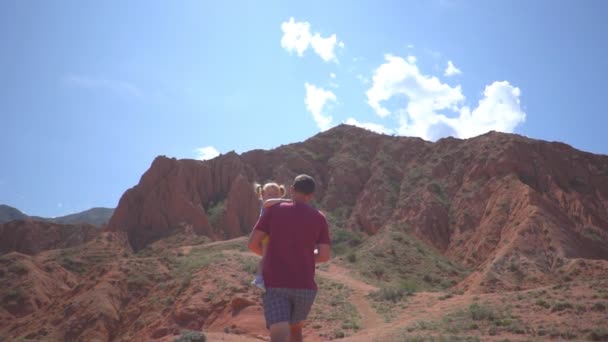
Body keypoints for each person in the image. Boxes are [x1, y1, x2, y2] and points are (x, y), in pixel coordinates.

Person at [248, 174, 331, 342]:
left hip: (275, 284)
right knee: (295, 332)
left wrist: (270, 256)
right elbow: (323, 255)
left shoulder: (273, 211)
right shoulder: (319, 217)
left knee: (279, 335)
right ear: (311, 195)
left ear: (291, 190)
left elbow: (252, 244)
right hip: (305, 286)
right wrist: (303, 256)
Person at [251, 182, 290, 291]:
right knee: (266, 257)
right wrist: (285, 200)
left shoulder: (278, 206)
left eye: (275, 194)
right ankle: (259, 279)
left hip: (273, 235)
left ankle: (265, 278)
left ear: (280, 194)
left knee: (272, 257)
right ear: (263, 195)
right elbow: (268, 202)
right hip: (266, 235)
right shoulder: (266, 204)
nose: (272, 196)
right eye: (269, 194)